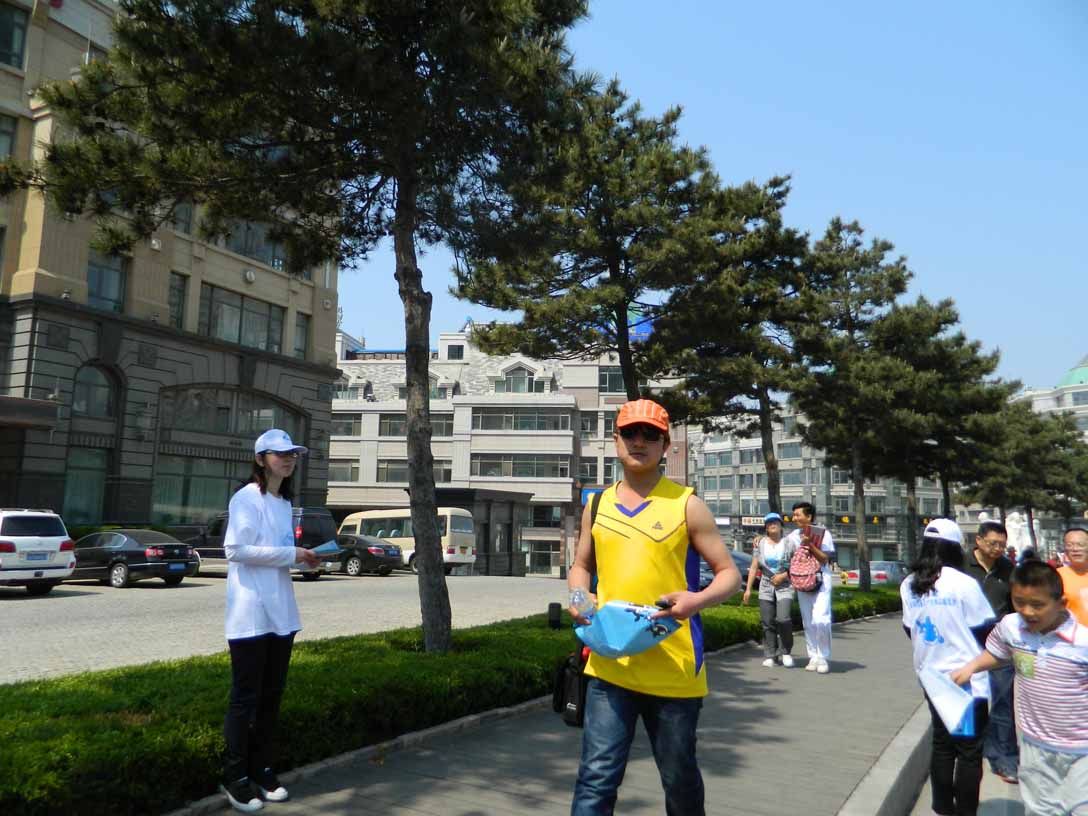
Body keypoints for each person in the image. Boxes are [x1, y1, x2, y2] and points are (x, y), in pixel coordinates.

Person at [567, 398, 742, 816]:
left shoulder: (687, 504)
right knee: (596, 778)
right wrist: (579, 597)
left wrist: (696, 600)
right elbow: (581, 566)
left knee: (679, 779)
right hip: (609, 665)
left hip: (673, 671)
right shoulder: (597, 505)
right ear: (616, 440)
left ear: (666, 445)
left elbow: (729, 575)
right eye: (630, 433)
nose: (639, 442)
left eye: (651, 435)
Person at [219, 429, 320, 814]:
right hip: (250, 612)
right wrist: (291, 553)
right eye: (280, 454)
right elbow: (235, 550)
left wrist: (303, 558)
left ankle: (261, 769)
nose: (288, 459)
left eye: (292, 453)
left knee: (271, 696)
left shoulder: (283, 502)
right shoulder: (246, 498)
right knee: (244, 699)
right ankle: (234, 777)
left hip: (281, 613)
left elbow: (277, 554)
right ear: (261, 459)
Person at [951, 561, 1088, 816]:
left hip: (1081, 750)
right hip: (1034, 746)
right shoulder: (1011, 627)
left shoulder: (1083, 642)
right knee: (1040, 810)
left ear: (1061, 603)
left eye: (1037, 605)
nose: (1027, 611)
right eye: (1019, 602)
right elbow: (998, 653)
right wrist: (971, 667)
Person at [902, 518, 995, 816]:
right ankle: (965, 810)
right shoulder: (963, 583)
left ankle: (942, 806)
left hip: (931, 675)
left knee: (942, 743)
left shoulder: (909, 584)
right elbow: (985, 630)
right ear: (956, 548)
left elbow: (909, 628)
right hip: (965, 678)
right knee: (968, 750)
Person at [962, 521, 1018, 784]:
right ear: (979, 541)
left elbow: (1015, 606)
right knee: (968, 702)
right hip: (965, 644)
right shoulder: (961, 566)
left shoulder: (1008, 569)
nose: (997, 549)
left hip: (999, 646)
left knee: (1003, 703)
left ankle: (1005, 759)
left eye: (1002, 545)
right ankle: (969, 752)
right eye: (993, 543)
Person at [784, 501, 835, 674]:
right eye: (794, 515)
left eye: (798, 514)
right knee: (808, 621)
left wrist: (810, 544)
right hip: (802, 581)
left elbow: (825, 559)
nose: (794, 518)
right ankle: (813, 656)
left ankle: (823, 657)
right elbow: (784, 551)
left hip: (821, 581)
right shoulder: (793, 536)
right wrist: (761, 540)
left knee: (821, 619)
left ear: (809, 516)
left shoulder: (823, 534)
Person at [742, 512, 798, 668]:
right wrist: (748, 589)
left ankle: (786, 652)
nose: (772, 525)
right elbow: (754, 567)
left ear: (781, 525)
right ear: (766, 527)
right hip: (766, 585)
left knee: (783, 619)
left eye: (775, 522)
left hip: (784, 585)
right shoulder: (760, 543)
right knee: (767, 622)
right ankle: (771, 655)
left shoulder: (789, 543)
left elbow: (796, 565)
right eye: (769, 523)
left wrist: (783, 576)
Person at [1058, 527, 1088, 626]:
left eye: (1081, 544)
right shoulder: (1056, 576)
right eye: (1069, 545)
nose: (1075, 549)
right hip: (1072, 634)